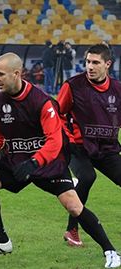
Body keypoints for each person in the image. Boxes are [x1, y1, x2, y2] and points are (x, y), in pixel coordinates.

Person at [0, 52, 120, 268]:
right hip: (17, 160)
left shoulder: (42, 101)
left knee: (73, 205)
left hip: (49, 162)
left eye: (0, 74)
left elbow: (54, 141)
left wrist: (35, 161)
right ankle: (1, 241)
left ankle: (110, 251)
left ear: (17, 74)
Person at [57, 43, 121, 249]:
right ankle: (72, 229)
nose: (90, 67)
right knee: (86, 176)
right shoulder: (73, 86)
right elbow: (57, 114)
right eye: (87, 62)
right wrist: (66, 140)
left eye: (95, 62)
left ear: (107, 64)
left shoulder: (118, 90)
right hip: (78, 147)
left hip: (107, 148)